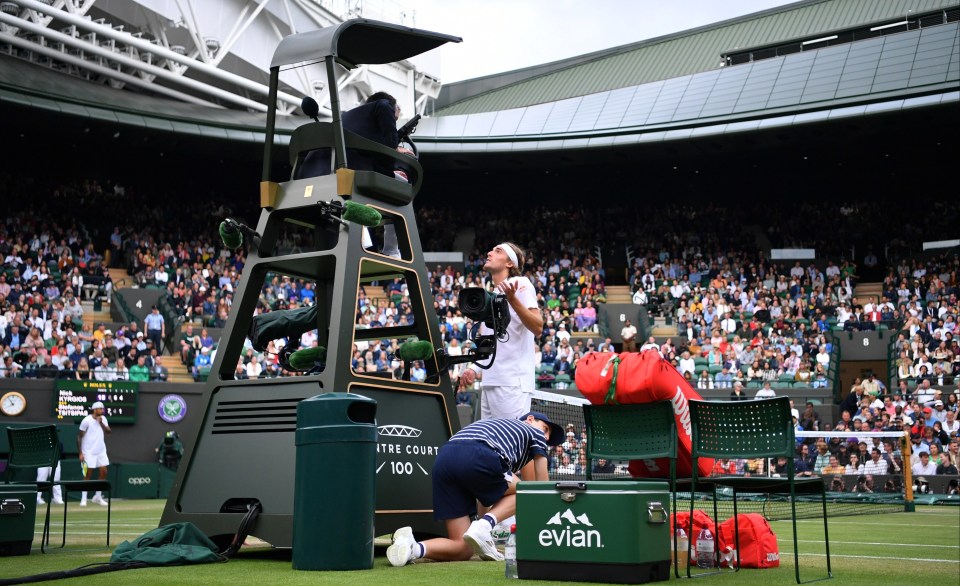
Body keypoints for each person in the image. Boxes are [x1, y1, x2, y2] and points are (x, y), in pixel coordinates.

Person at [386, 412, 561, 566]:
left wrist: (483, 532)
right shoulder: (534, 433)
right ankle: (484, 526)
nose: (545, 438)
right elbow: (541, 488)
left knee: (463, 548)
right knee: (527, 492)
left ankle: (411, 548)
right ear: (530, 419)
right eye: (545, 429)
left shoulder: (498, 431)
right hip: (479, 453)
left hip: (444, 460)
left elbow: (486, 497)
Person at [460, 243, 542, 421]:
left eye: (498, 251)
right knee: (490, 447)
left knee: (509, 445)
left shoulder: (520, 283)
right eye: (491, 250)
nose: (489, 252)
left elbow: (538, 326)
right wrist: (473, 369)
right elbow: (491, 342)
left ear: (510, 263)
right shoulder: (492, 295)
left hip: (512, 383)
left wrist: (513, 300)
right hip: (490, 382)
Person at [77, 401, 111, 506]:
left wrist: (101, 422)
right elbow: (79, 437)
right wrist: (80, 453)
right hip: (88, 452)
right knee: (88, 474)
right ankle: (83, 499)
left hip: (101, 451)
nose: (102, 410)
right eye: (100, 408)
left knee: (104, 472)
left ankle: (97, 497)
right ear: (94, 410)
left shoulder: (103, 419)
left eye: (102, 408)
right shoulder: (86, 421)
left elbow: (108, 431)